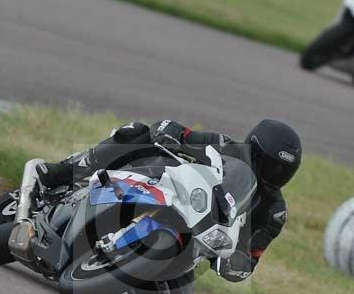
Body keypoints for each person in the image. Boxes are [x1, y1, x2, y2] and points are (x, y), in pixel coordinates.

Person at [35, 119, 302, 283]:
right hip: (166, 191)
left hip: (196, 244)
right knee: (136, 132)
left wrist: (234, 264)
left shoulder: (273, 213)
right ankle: (67, 171)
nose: (274, 176)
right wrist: (169, 133)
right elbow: (177, 131)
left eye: (283, 171)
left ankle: (132, 270)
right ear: (253, 150)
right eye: (269, 165)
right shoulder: (224, 145)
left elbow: (250, 260)